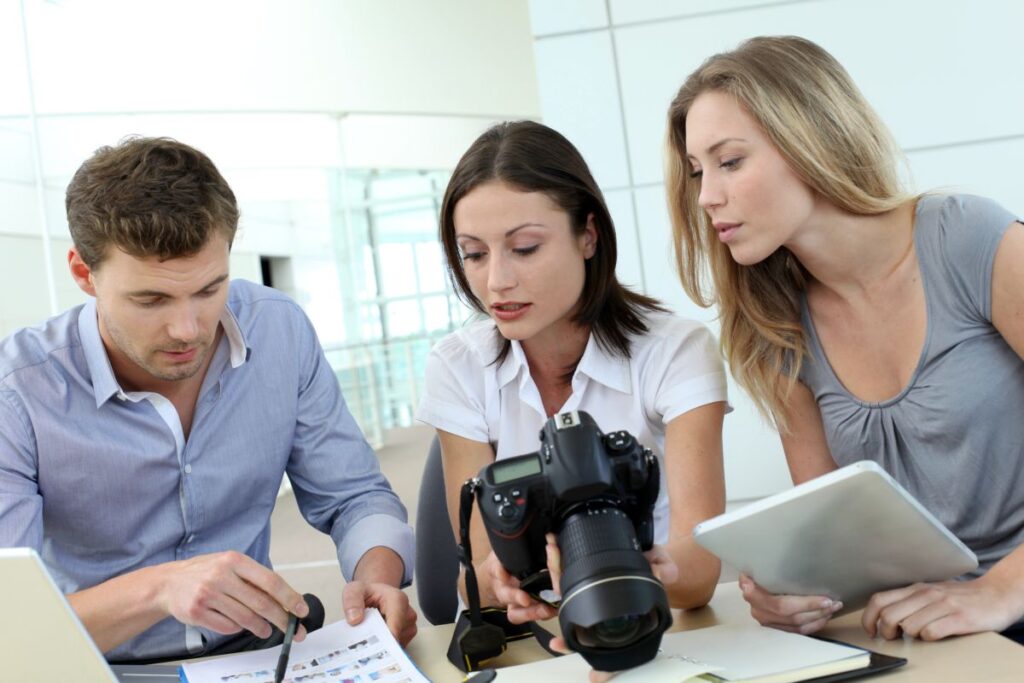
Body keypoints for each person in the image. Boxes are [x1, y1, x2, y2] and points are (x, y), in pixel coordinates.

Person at [0, 137, 417, 662]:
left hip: (261, 657)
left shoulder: (279, 328)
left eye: (208, 289)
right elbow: (7, 620)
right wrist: (160, 589)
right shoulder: (16, 391)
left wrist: (377, 577)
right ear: (84, 274)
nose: (188, 329)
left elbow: (355, 494)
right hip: (97, 665)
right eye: (151, 299)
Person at [666, 35, 1024, 643]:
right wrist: (801, 593)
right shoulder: (772, 326)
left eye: (729, 162)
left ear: (810, 140)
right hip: (933, 628)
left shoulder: (971, 239)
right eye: (698, 172)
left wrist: (999, 590)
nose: (707, 197)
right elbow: (844, 536)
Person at [415, 120, 729, 626]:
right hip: (529, 644)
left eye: (525, 248)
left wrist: (635, 568)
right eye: (473, 254)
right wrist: (498, 582)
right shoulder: (458, 366)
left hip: (653, 626)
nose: (496, 280)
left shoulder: (676, 351)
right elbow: (474, 571)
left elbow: (699, 575)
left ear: (588, 234)